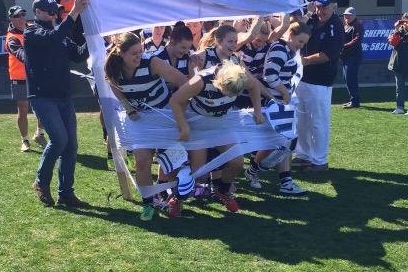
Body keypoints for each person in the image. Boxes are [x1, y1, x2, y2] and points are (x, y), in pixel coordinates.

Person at [104, 31, 188, 221]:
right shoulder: (112, 66)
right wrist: (128, 108)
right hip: (140, 120)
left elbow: (184, 81)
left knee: (171, 162)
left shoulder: (153, 62)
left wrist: (179, 107)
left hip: (165, 115)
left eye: (140, 51)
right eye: (134, 53)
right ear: (121, 53)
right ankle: (148, 203)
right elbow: (114, 87)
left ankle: (172, 197)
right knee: (142, 161)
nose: (139, 56)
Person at [170, 59, 266, 216]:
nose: (231, 96)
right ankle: (177, 198)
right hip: (198, 126)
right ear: (218, 82)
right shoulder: (200, 81)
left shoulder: (240, 75)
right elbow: (175, 100)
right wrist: (184, 126)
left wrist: (257, 110)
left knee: (237, 162)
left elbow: (254, 86)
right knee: (199, 173)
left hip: (222, 125)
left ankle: (222, 191)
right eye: (227, 92)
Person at [24, 0, 89, 208]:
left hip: (63, 96)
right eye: (50, 11)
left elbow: (78, 54)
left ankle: (66, 193)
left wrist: (92, 38)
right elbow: (52, 39)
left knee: (71, 145)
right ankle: (41, 182)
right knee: (59, 140)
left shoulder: (58, 32)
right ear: (38, 12)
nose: (54, 15)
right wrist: (74, 13)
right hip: (42, 96)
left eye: (56, 11)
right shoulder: (31, 32)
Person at [245, 18, 311, 196]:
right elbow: (270, 76)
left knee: (284, 141)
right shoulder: (280, 49)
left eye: (304, 43)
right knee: (277, 142)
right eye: (300, 41)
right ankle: (254, 170)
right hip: (272, 103)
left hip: (280, 103)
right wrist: (285, 92)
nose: (301, 46)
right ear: (291, 35)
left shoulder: (287, 49)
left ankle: (283, 181)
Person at [293, 0, 345, 171]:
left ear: (334, 7)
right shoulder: (312, 19)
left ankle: (319, 160)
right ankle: (303, 155)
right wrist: (306, 12)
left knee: (318, 121)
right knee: (301, 121)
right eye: (318, 6)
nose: (320, 10)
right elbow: (296, 29)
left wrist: (304, 61)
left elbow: (328, 54)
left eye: (324, 7)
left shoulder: (336, 25)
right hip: (302, 78)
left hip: (320, 80)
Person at [5, 6, 46, 152]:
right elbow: (20, 54)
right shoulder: (11, 38)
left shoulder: (31, 27)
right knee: (23, 109)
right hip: (19, 77)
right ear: (11, 19)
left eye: (23, 15)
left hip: (35, 75)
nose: (22, 18)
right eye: (18, 16)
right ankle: (25, 140)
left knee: (44, 106)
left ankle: (39, 134)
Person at [339, 7, 364, 109]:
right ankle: (353, 100)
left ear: (354, 15)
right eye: (345, 15)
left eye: (348, 15)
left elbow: (357, 40)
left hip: (353, 56)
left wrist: (343, 46)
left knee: (350, 78)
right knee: (347, 78)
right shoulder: (346, 25)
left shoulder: (357, 25)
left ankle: (355, 101)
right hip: (346, 56)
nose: (346, 17)